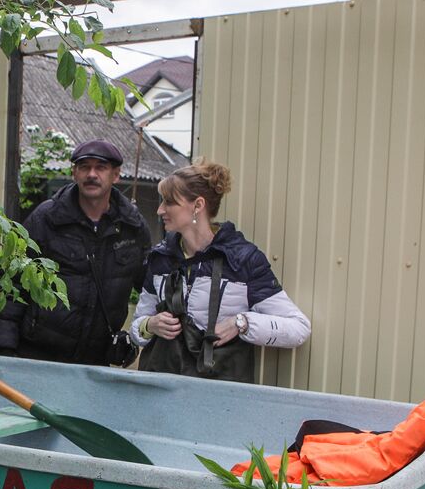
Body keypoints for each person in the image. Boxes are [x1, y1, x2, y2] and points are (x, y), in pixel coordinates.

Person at [129, 160, 309, 381]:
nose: (160, 210)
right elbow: (137, 329)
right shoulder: (161, 258)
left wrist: (241, 323)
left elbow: (298, 328)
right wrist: (150, 325)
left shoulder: (243, 260)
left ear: (197, 205)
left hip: (219, 395)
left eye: (169, 202)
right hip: (161, 392)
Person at [0, 138, 149, 366]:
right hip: (37, 356)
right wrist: (4, 350)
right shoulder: (46, 218)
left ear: (116, 175)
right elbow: (10, 283)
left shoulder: (132, 227)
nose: (91, 174)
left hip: (95, 363)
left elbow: (151, 287)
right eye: (84, 167)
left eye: (100, 167)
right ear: (74, 173)